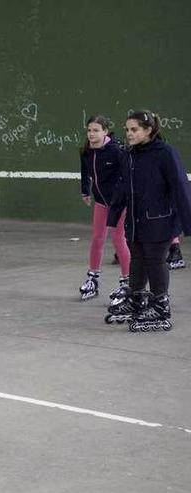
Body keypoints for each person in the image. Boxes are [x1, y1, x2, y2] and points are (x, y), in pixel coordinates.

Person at [106, 110, 191, 332]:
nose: (129, 133)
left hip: (159, 221)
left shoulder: (165, 153)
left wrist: (187, 222)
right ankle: (136, 299)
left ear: (148, 130)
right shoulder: (129, 154)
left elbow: (180, 187)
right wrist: (114, 216)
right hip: (135, 221)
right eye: (127, 129)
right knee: (137, 260)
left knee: (155, 261)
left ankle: (161, 305)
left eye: (134, 129)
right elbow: (122, 187)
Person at [78, 115, 131, 302]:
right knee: (97, 238)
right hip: (101, 202)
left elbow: (128, 175)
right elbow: (85, 171)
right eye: (89, 130)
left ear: (105, 132)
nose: (91, 134)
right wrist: (85, 191)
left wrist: (124, 198)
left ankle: (127, 282)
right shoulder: (87, 151)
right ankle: (93, 279)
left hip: (119, 204)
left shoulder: (116, 151)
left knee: (118, 238)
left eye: (96, 130)